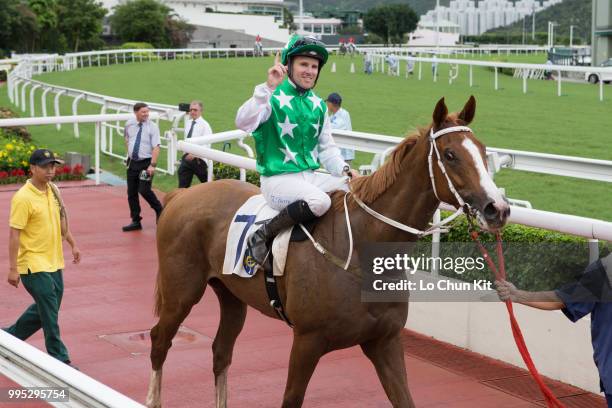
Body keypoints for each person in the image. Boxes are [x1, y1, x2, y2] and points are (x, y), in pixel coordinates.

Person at [235, 34, 358, 268]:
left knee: (355, 191)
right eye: (303, 64)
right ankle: (261, 235)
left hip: (309, 177)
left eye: (314, 66)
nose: (309, 71)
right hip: (278, 180)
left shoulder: (319, 105)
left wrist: (344, 170)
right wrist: (267, 87)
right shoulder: (271, 97)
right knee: (319, 202)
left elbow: (328, 149)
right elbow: (242, 122)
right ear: (288, 65)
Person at [495, 253, 612, 406]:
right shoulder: (603, 271)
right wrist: (517, 295)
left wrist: (518, 296)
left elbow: (561, 300)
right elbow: (561, 299)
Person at [3, 149, 81, 366]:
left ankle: (7, 338)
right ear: (33, 168)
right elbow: (14, 233)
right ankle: (59, 358)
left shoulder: (53, 190)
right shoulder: (23, 198)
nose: (50, 171)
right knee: (48, 310)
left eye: (53, 166)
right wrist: (12, 268)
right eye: (45, 166)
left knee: (46, 308)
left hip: (54, 261)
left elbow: (61, 222)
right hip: (32, 264)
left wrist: (73, 244)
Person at [122, 102, 163, 232]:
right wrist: (128, 154)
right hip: (132, 163)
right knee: (131, 193)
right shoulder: (129, 124)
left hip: (146, 164)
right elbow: (127, 139)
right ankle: (135, 220)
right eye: (143, 112)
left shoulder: (153, 127)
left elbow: (156, 146)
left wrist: (152, 165)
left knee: (144, 190)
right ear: (136, 112)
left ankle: (159, 210)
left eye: (147, 111)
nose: (146, 114)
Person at [178, 100, 213, 188]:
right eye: (191, 110)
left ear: (201, 111)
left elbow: (207, 144)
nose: (192, 112)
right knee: (182, 186)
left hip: (199, 161)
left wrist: (194, 154)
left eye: (195, 110)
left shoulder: (205, 126)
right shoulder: (188, 123)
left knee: (208, 185)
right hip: (187, 158)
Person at [325, 92, 354, 164]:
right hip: (337, 152)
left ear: (331, 104)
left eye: (327, 102)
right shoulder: (333, 115)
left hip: (345, 154)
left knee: (344, 174)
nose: (327, 105)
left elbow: (333, 127)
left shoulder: (343, 114)